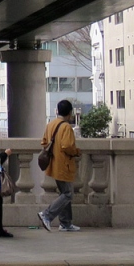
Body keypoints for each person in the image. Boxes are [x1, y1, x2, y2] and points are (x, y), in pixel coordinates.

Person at [38, 99, 82, 233]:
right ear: (70, 112)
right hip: (64, 164)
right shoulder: (66, 127)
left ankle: (65, 223)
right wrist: (76, 152)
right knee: (68, 194)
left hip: (53, 163)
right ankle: (47, 214)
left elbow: (44, 142)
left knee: (64, 193)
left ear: (57, 111)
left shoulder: (51, 124)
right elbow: (67, 146)